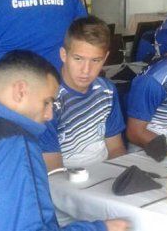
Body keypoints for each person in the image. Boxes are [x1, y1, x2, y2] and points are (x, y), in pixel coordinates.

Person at [0, 50, 128, 231]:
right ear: (21, 91)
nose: (49, 115)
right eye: (47, 102)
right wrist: (101, 228)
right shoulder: (14, 144)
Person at [39, 17, 126, 171]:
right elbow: (52, 168)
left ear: (105, 58)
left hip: (105, 174)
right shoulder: (47, 100)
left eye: (95, 60)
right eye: (78, 59)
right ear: (63, 55)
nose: (86, 70)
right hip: (66, 179)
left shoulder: (107, 90)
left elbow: (115, 148)